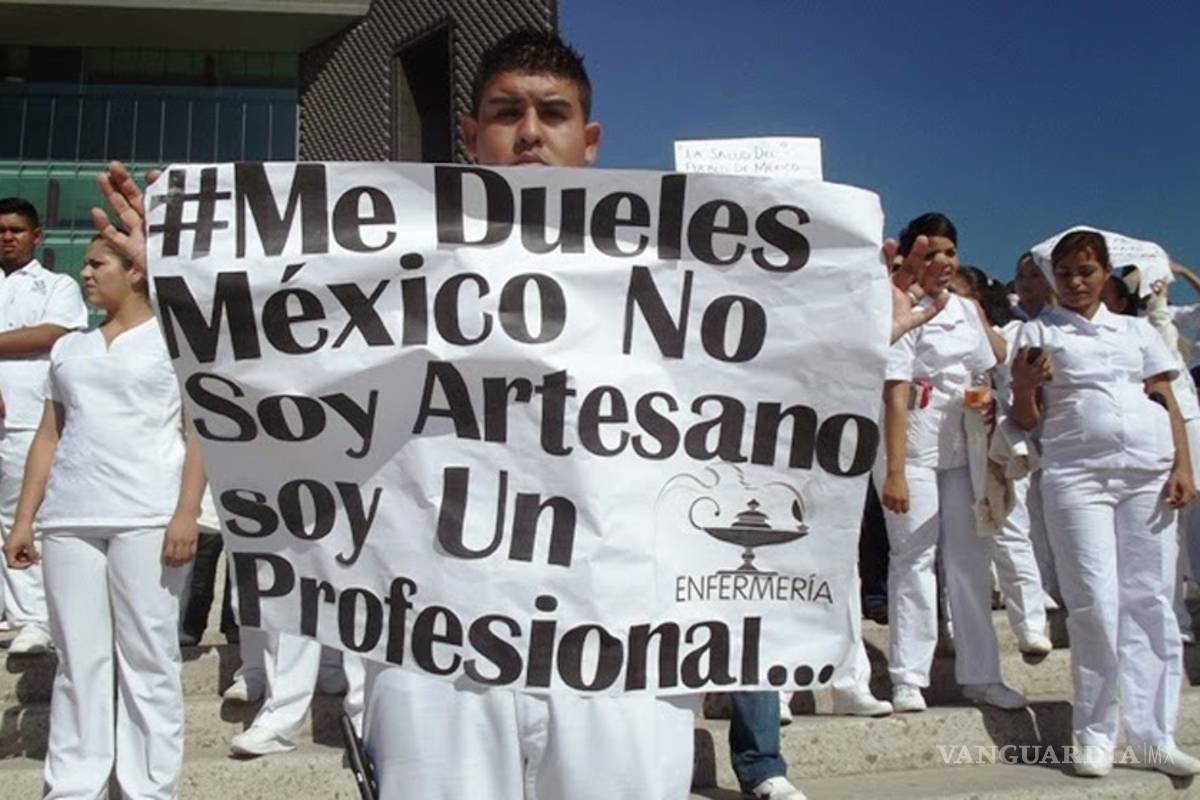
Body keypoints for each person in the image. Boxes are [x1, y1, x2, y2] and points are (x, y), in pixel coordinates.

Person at [2, 233, 206, 798]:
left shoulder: (175, 343)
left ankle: (148, 788)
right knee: (78, 660)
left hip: (148, 514)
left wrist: (186, 513)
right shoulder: (69, 348)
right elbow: (49, 435)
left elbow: (200, 434)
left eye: (97, 264)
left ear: (135, 271)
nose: (85, 274)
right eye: (84, 265)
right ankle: (74, 784)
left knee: (149, 658)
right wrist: (24, 519)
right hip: (69, 518)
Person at [1011, 229, 1200, 777]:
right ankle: (1095, 732)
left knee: (1150, 600)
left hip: (1147, 473)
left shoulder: (1137, 331)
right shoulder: (1037, 330)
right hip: (1077, 476)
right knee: (1094, 600)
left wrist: (1183, 466)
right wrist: (1022, 385)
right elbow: (1026, 418)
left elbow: (1165, 397)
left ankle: (1154, 735)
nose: (1075, 282)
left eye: (1086, 271)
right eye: (1065, 273)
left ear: (1105, 274)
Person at [878, 212, 1026, 714]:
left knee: (970, 560)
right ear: (912, 257)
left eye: (950, 252)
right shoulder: (899, 304)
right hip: (911, 445)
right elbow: (895, 391)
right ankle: (908, 677)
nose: (942, 261)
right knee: (914, 557)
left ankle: (982, 675)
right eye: (931, 252)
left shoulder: (966, 309)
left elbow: (986, 368)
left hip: (964, 448)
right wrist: (895, 471)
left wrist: (984, 407)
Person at [0, 197, 89, 654]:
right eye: (1, 230)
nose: (7, 237)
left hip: (26, 418)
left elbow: (55, 333)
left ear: (36, 236)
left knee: (21, 514)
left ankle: (33, 618)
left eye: (16, 230)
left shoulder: (57, 285)